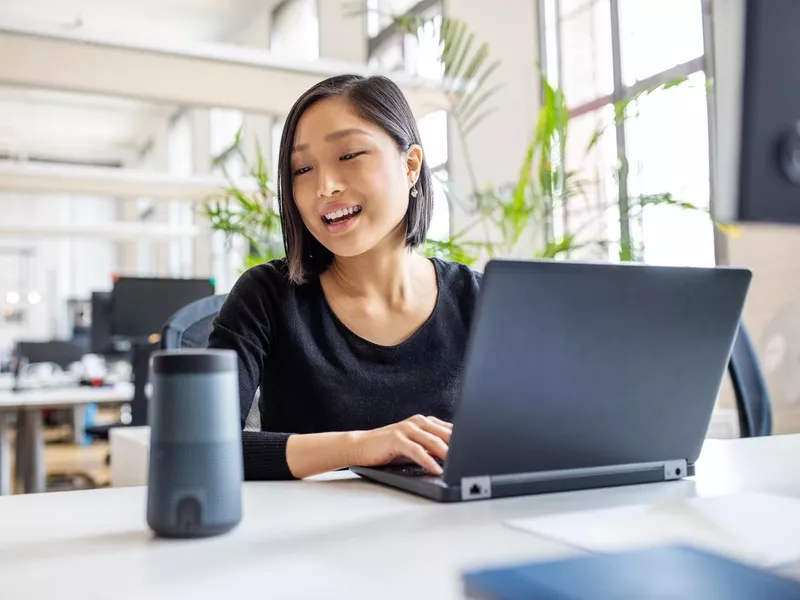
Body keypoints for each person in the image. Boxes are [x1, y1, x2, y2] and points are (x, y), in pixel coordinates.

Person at [208, 73, 482, 481]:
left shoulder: (478, 299)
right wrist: (359, 447)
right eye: (302, 168)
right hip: (312, 538)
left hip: (465, 532)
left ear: (410, 165)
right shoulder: (265, 297)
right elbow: (203, 446)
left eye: (349, 155)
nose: (325, 186)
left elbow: (541, 431)